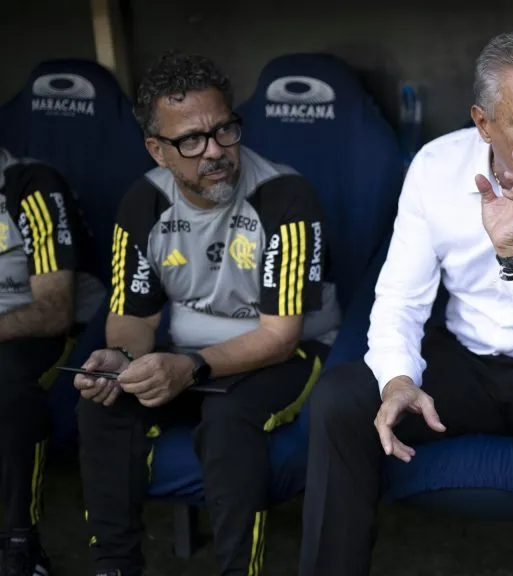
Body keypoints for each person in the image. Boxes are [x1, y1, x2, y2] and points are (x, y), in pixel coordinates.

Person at [299, 30, 513, 576]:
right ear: (483, 123)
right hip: (465, 359)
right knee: (342, 396)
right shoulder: (436, 168)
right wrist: (397, 379)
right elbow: (399, 298)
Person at [72, 51, 340, 576]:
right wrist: (122, 356)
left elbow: (281, 336)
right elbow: (134, 317)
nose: (215, 151)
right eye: (191, 140)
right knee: (103, 401)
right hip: (185, 350)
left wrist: (191, 367)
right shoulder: (142, 203)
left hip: (286, 352)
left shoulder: (284, 195)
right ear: (157, 149)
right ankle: (115, 567)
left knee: (227, 419)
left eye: (224, 131)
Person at [0, 148, 104, 576]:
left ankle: (20, 543)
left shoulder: (31, 186)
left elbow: (54, 311)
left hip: (50, 331)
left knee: (7, 385)